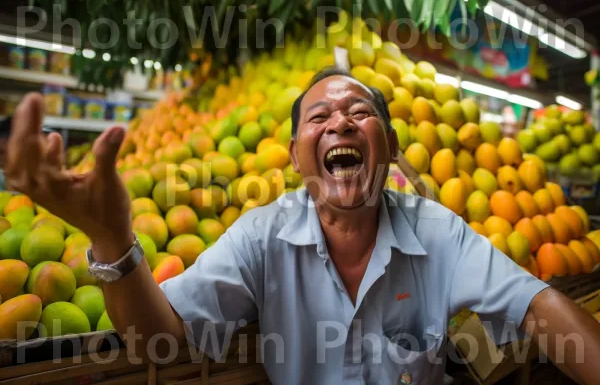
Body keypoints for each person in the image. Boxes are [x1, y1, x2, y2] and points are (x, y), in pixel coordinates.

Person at [6, 69, 600, 384]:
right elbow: (156, 335)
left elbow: (537, 305)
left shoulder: (436, 231)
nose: (341, 121)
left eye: (360, 112)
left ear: (389, 147)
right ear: (295, 157)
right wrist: (113, 241)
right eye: (321, 117)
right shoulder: (260, 235)